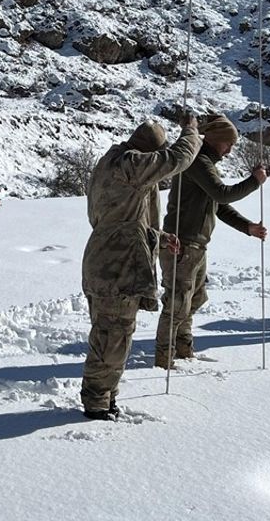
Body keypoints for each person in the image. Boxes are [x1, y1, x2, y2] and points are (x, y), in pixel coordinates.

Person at [80, 116, 200, 421]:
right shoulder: (131, 165)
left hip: (107, 258)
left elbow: (123, 220)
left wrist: (158, 238)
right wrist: (191, 132)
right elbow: (177, 159)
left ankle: (106, 398)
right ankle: (96, 403)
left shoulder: (113, 163)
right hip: (116, 266)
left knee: (114, 336)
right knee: (112, 337)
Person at [156, 115, 266, 368]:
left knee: (194, 299)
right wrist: (254, 182)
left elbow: (217, 203)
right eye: (229, 144)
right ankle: (164, 358)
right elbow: (221, 193)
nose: (230, 150)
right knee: (177, 304)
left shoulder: (206, 164)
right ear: (218, 140)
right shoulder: (198, 162)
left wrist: (247, 227)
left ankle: (183, 349)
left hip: (195, 245)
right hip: (181, 244)